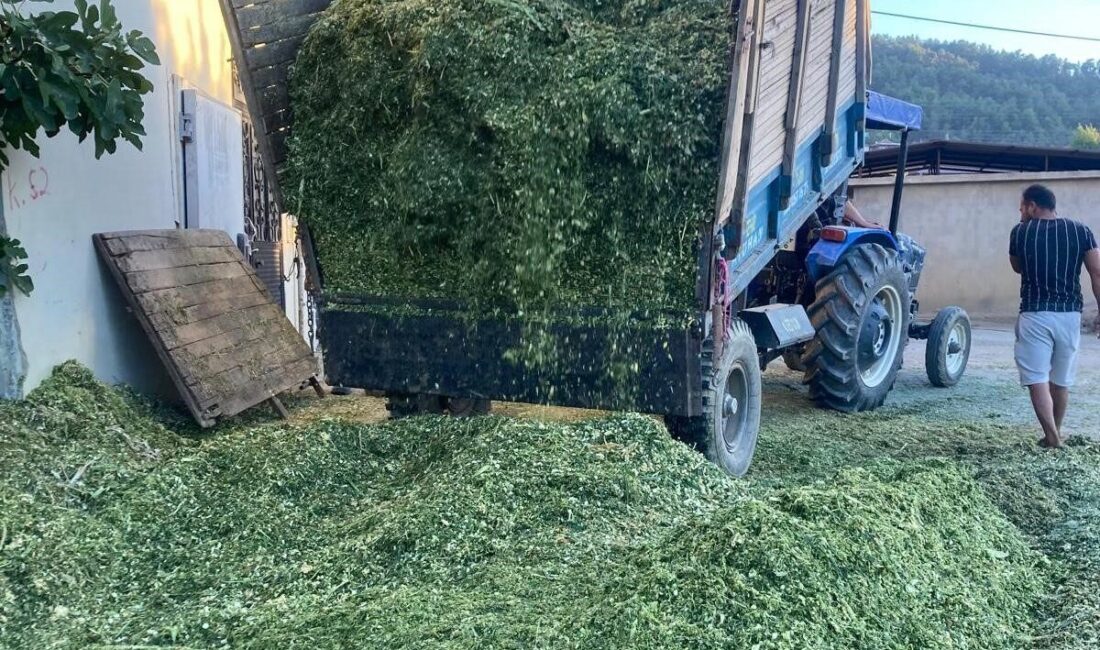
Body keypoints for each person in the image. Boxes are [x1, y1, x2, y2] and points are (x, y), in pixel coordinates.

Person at [1009, 184, 1100, 448]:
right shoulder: (1081, 231)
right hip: (1069, 314)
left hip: (1035, 312)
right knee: (1060, 380)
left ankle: (1052, 437)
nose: (1020, 212)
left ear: (1032, 206)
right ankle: (1055, 433)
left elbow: (1016, 267)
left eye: (1022, 207)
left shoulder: (1020, 231)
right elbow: (1096, 272)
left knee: (1037, 378)